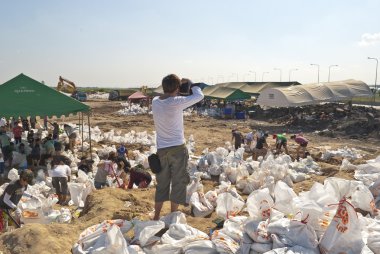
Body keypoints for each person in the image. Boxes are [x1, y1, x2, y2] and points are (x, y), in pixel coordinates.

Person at [151, 74, 204, 220]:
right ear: (177, 88)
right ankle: (172, 215)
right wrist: (192, 84)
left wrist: (178, 87)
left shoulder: (155, 101)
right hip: (178, 149)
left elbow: (167, 97)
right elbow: (199, 95)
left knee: (162, 183)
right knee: (178, 182)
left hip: (162, 150)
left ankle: (156, 216)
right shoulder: (177, 102)